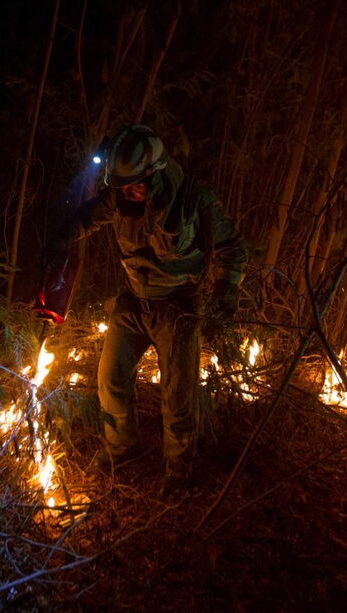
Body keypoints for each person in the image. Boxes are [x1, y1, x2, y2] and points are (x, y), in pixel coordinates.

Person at [49, 124, 245, 495]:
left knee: (178, 395)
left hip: (179, 307)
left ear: (155, 172)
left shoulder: (194, 199)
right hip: (133, 302)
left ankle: (178, 467)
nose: (128, 191)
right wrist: (61, 239)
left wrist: (225, 297)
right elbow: (85, 219)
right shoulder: (121, 197)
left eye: (136, 183)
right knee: (110, 378)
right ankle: (122, 448)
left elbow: (231, 246)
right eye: (122, 185)